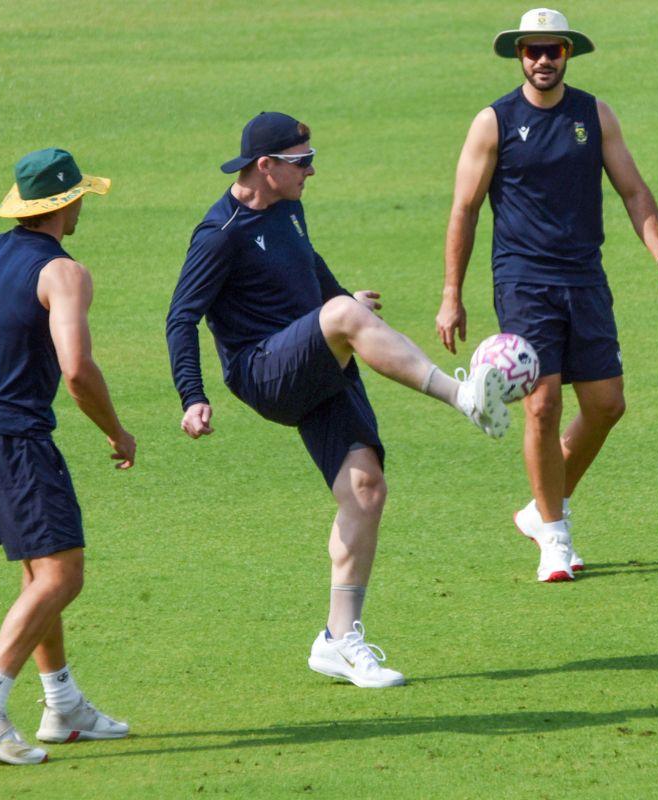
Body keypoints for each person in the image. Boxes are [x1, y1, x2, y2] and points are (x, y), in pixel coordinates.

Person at [166, 112, 509, 689]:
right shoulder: (219, 234)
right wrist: (191, 395)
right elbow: (181, 317)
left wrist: (339, 297)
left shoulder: (287, 208)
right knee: (343, 317)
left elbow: (309, 266)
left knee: (366, 490)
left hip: (315, 359)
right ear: (265, 166)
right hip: (264, 372)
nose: (312, 170)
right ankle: (466, 397)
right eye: (302, 162)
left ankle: (338, 639)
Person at [435, 8, 658, 583]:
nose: (544, 60)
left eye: (554, 50)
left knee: (606, 406)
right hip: (523, 281)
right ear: (519, 56)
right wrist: (451, 293)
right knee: (544, 405)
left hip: (585, 278)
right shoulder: (493, 122)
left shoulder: (593, 115)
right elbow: (465, 208)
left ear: (567, 54)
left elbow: (633, 189)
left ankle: (538, 508)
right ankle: (555, 537)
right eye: (533, 51)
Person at [0, 148, 135, 765]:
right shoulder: (64, 273)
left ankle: (62, 705)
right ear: (65, 203)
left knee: (38, 572)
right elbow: (76, 370)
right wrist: (117, 431)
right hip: (15, 437)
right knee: (63, 574)